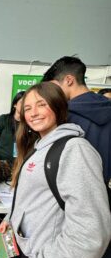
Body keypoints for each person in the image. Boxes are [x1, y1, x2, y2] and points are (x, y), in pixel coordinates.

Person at [0, 82, 110, 258]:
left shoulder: (75, 150)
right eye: (28, 108)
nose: (33, 113)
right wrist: (11, 220)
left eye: (41, 104)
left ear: (58, 106)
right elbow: (32, 196)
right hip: (31, 255)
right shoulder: (39, 147)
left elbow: (91, 229)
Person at [42, 56, 111, 196]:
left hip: (71, 194)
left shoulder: (62, 115)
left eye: (54, 87)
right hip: (104, 194)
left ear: (69, 80)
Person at [0, 91, 25, 164]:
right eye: (22, 102)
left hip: (20, 162)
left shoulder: (29, 123)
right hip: (1, 162)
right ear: (15, 104)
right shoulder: (3, 119)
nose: (24, 105)